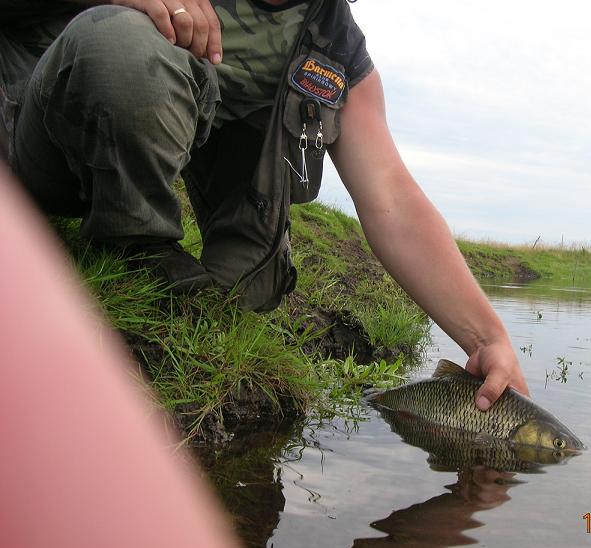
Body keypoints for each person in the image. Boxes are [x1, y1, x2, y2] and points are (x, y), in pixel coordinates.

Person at [0, 0, 529, 409]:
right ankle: (135, 245)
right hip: (39, 148)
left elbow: (390, 196)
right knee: (121, 50)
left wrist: (488, 337)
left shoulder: (335, 41)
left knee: (241, 293)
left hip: (176, 145)